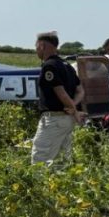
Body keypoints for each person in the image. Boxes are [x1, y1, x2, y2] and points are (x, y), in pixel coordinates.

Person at [31, 31, 85, 165]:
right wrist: (73, 106)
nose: (36, 49)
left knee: (40, 157)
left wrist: (74, 109)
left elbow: (60, 92)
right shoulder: (66, 65)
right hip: (67, 119)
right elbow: (80, 90)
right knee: (61, 159)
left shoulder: (49, 66)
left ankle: (40, 184)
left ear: (42, 46)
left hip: (54, 119)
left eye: (36, 46)